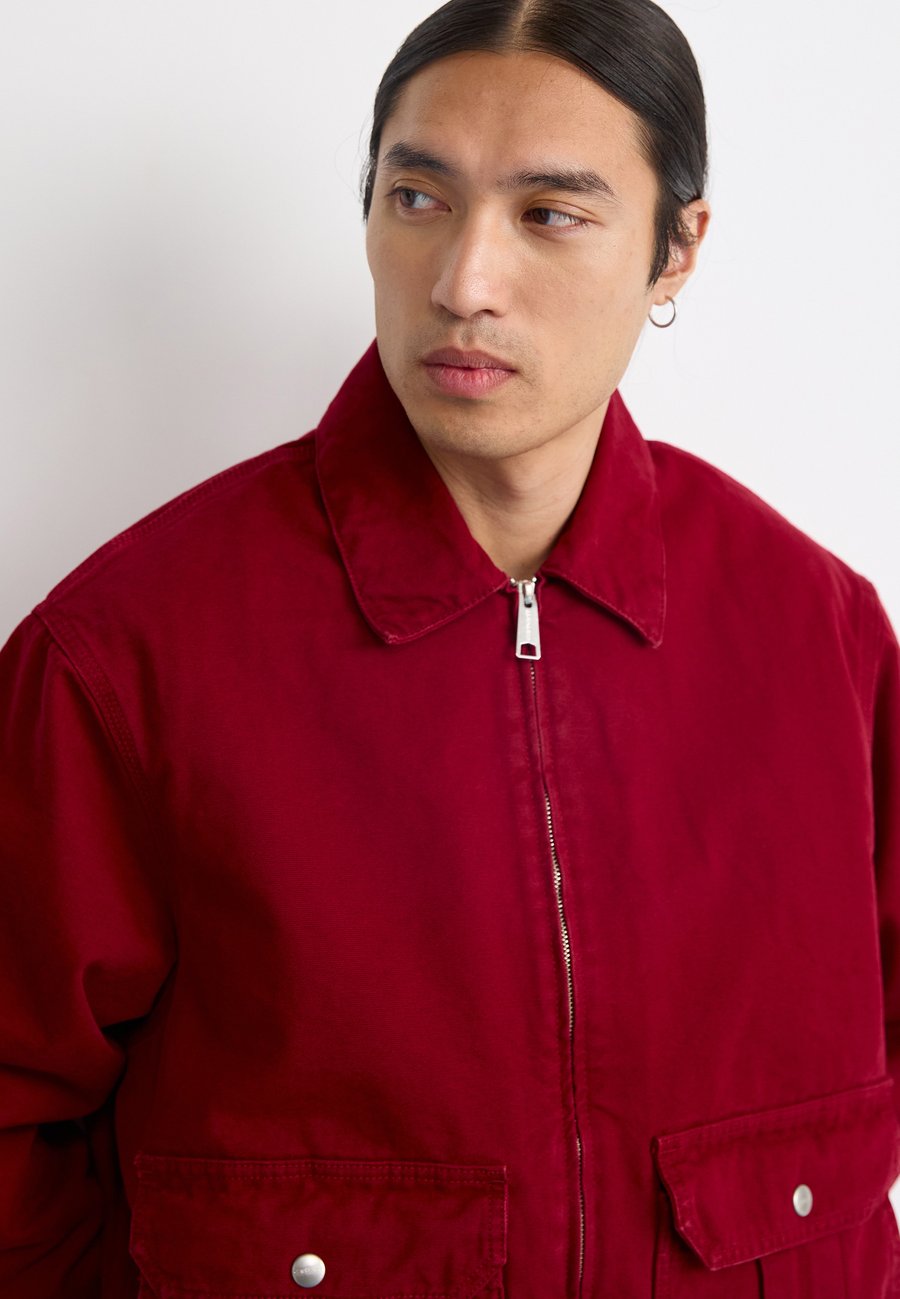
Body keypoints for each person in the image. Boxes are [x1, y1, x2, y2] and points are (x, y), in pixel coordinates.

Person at [2, 0, 899, 1295]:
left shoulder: (822, 637)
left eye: (550, 213)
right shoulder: (121, 658)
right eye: (418, 199)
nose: (463, 282)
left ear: (676, 249)